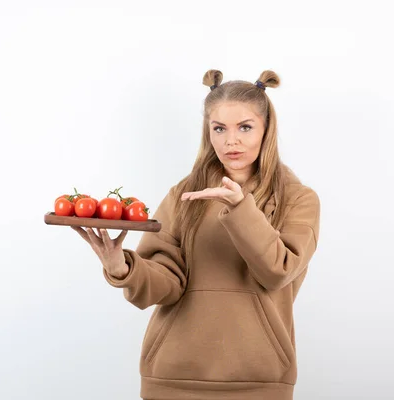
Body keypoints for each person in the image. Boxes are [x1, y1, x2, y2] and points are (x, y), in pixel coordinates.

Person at [72, 69, 321, 400]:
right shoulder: (183, 195)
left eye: (245, 127)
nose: (231, 141)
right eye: (219, 128)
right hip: (173, 377)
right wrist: (123, 268)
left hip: (259, 380)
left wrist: (241, 207)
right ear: (208, 132)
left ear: (266, 130)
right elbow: (166, 285)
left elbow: (277, 272)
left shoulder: (299, 199)